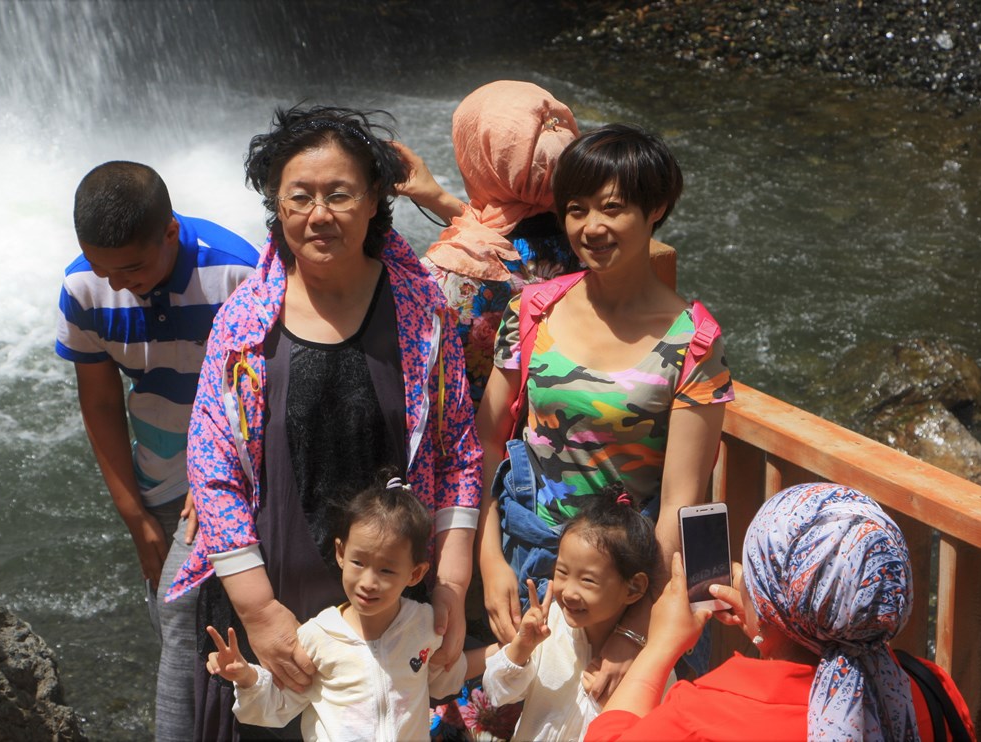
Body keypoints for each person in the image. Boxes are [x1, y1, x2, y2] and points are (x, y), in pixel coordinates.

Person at [165, 105, 482, 740]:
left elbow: (459, 455)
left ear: (372, 202)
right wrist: (258, 612)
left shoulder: (423, 316)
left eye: (339, 194)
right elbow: (213, 469)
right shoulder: (241, 328)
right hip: (274, 600)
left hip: (392, 602)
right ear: (276, 208)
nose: (319, 214)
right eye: (299, 197)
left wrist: (449, 581)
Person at [475, 123, 734, 695]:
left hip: (634, 583)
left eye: (612, 208)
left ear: (655, 207)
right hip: (532, 560)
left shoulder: (692, 342)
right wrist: (489, 560)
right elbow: (488, 442)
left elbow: (680, 505)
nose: (591, 227)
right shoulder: (534, 311)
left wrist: (638, 631)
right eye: (576, 209)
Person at [55, 160, 259, 741]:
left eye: (133, 268)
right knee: (177, 630)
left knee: (181, 613)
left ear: (170, 232)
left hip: (232, 475)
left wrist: (217, 479)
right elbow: (99, 404)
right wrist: (134, 515)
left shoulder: (234, 274)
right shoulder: (83, 286)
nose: (117, 282)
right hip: (158, 474)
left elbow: (257, 398)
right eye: (102, 267)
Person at [588, 482, 977, 742]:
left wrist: (660, 646)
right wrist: (775, 630)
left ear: (772, 605)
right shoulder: (929, 689)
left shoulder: (704, 717)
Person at [204, 470, 488, 740]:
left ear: (415, 574)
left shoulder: (423, 625)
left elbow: (445, 677)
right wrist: (246, 677)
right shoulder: (319, 636)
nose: (368, 582)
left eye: (386, 571)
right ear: (340, 553)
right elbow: (278, 706)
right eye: (358, 562)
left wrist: (514, 650)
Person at [394, 79, 584, 407]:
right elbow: (515, 225)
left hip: (482, 446)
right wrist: (439, 199)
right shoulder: (596, 244)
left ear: (476, 158)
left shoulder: (446, 273)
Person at [482, 484, 674, 741]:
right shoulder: (549, 628)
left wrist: (606, 708)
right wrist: (521, 649)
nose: (569, 592)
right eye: (561, 572)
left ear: (634, 588)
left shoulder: (649, 663)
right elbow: (497, 692)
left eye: (588, 581)